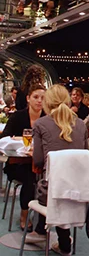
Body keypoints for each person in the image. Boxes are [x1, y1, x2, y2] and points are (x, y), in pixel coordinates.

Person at [24, 84, 88, 255]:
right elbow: (86, 156)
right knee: (57, 184)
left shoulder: (41, 124)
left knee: (47, 184)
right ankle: (45, 233)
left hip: (53, 194)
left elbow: (37, 161)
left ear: (47, 103)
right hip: (80, 192)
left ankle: (41, 232)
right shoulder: (81, 124)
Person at [0, 84, 46, 231]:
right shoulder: (18, 116)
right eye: (36, 97)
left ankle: (44, 219)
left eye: (43, 98)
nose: (39, 101)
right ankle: (24, 215)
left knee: (49, 179)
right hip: (17, 164)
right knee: (30, 177)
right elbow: (5, 137)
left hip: (41, 163)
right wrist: (22, 139)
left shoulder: (47, 118)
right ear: (28, 98)